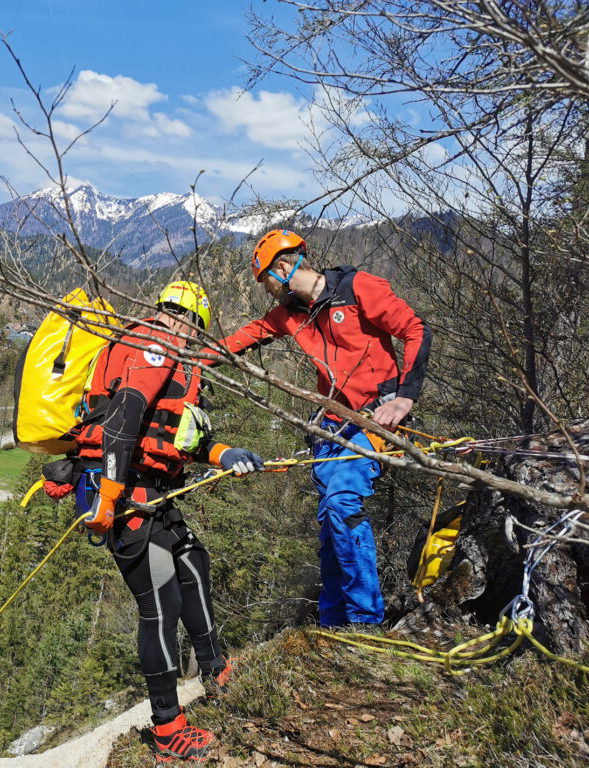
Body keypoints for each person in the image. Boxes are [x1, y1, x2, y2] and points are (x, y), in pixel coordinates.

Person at [74, 280, 264, 763]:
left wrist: (224, 454)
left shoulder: (169, 357)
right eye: (192, 325)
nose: (190, 334)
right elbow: (123, 418)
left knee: (194, 563)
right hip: (123, 496)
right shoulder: (154, 346)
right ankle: (167, 731)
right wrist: (111, 499)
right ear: (187, 320)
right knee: (162, 606)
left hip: (151, 493)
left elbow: (177, 439)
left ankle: (214, 669)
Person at [222, 230, 431, 627]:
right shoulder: (290, 314)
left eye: (266, 281)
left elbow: (415, 329)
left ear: (282, 268)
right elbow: (240, 340)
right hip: (330, 430)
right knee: (329, 523)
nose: (268, 292)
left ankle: (366, 622)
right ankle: (334, 622)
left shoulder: (357, 289)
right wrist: (186, 356)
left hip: (375, 421)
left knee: (342, 504)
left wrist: (406, 397)